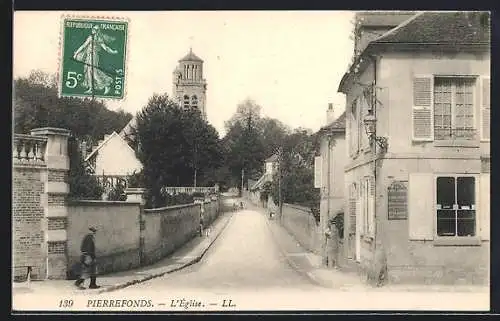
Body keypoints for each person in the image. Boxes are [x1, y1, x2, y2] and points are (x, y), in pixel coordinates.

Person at [73, 25, 118, 95]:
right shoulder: (90, 37)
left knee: (94, 72)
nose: (93, 30)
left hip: (94, 56)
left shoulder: (99, 39)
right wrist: (76, 54)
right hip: (88, 56)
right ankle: (91, 88)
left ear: (97, 31)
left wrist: (113, 52)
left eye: (95, 29)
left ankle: (106, 85)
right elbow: (83, 46)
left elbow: (105, 48)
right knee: (88, 72)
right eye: (93, 29)